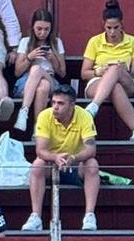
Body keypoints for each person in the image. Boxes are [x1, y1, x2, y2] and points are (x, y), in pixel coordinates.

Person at [22, 85, 100, 231]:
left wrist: (73, 158)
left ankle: (89, 216)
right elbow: (40, 150)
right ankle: (36, 216)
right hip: (52, 164)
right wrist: (56, 157)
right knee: (37, 164)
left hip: (75, 165)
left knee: (92, 164)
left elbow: (91, 149)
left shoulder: (84, 116)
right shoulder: (44, 116)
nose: (55, 107)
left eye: (60, 103)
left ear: (72, 105)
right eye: (53, 102)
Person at [81, 1, 134, 141]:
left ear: (122, 24)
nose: (112, 32)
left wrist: (124, 69)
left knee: (115, 69)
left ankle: (93, 107)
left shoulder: (133, 41)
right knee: (114, 86)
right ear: (103, 25)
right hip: (99, 82)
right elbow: (84, 73)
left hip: (127, 81)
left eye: (116, 27)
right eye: (108, 28)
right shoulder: (94, 41)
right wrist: (99, 71)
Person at [10, 8, 66, 133]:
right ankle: (38, 129)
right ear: (33, 27)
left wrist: (53, 59)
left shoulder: (57, 42)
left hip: (51, 79)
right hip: (26, 82)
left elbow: (62, 73)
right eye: (39, 29)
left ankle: (23, 112)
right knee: (42, 87)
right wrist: (30, 57)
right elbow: (17, 72)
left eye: (46, 29)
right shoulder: (25, 42)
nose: (42, 33)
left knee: (37, 70)